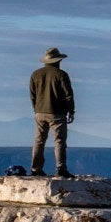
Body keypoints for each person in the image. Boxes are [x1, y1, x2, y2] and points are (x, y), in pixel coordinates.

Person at [29, 47, 75, 177]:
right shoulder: (61, 75)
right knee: (59, 141)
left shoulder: (35, 74)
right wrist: (71, 111)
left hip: (39, 112)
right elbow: (68, 95)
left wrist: (36, 109)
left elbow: (32, 95)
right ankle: (61, 169)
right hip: (57, 113)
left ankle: (35, 169)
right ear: (58, 60)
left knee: (39, 140)